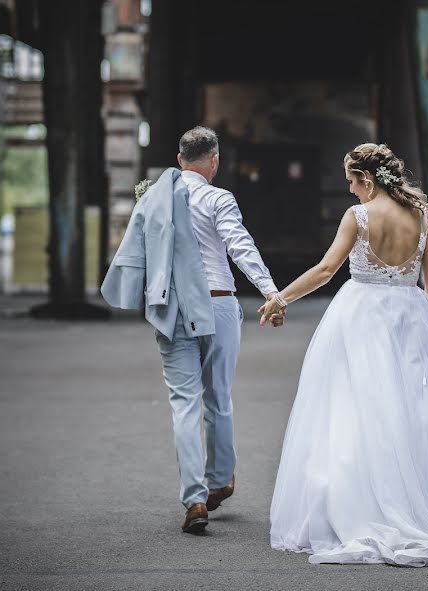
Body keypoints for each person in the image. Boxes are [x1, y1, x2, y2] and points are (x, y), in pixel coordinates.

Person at [260, 143, 428, 566]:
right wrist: (425, 318)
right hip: (409, 319)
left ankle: (365, 506)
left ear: (367, 178)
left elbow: (326, 270)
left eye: (351, 180)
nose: (350, 190)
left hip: (362, 318)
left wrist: (281, 298)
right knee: (413, 411)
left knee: (358, 409)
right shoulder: (421, 216)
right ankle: (424, 502)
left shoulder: (360, 217)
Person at [101, 126, 282, 534]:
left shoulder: (154, 198)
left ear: (180, 159)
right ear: (214, 160)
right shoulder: (218, 198)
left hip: (173, 309)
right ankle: (221, 480)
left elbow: (138, 254)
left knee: (185, 404)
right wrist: (271, 292)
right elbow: (240, 246)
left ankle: (195, 499)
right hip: (217, 304)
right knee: (218, 398)